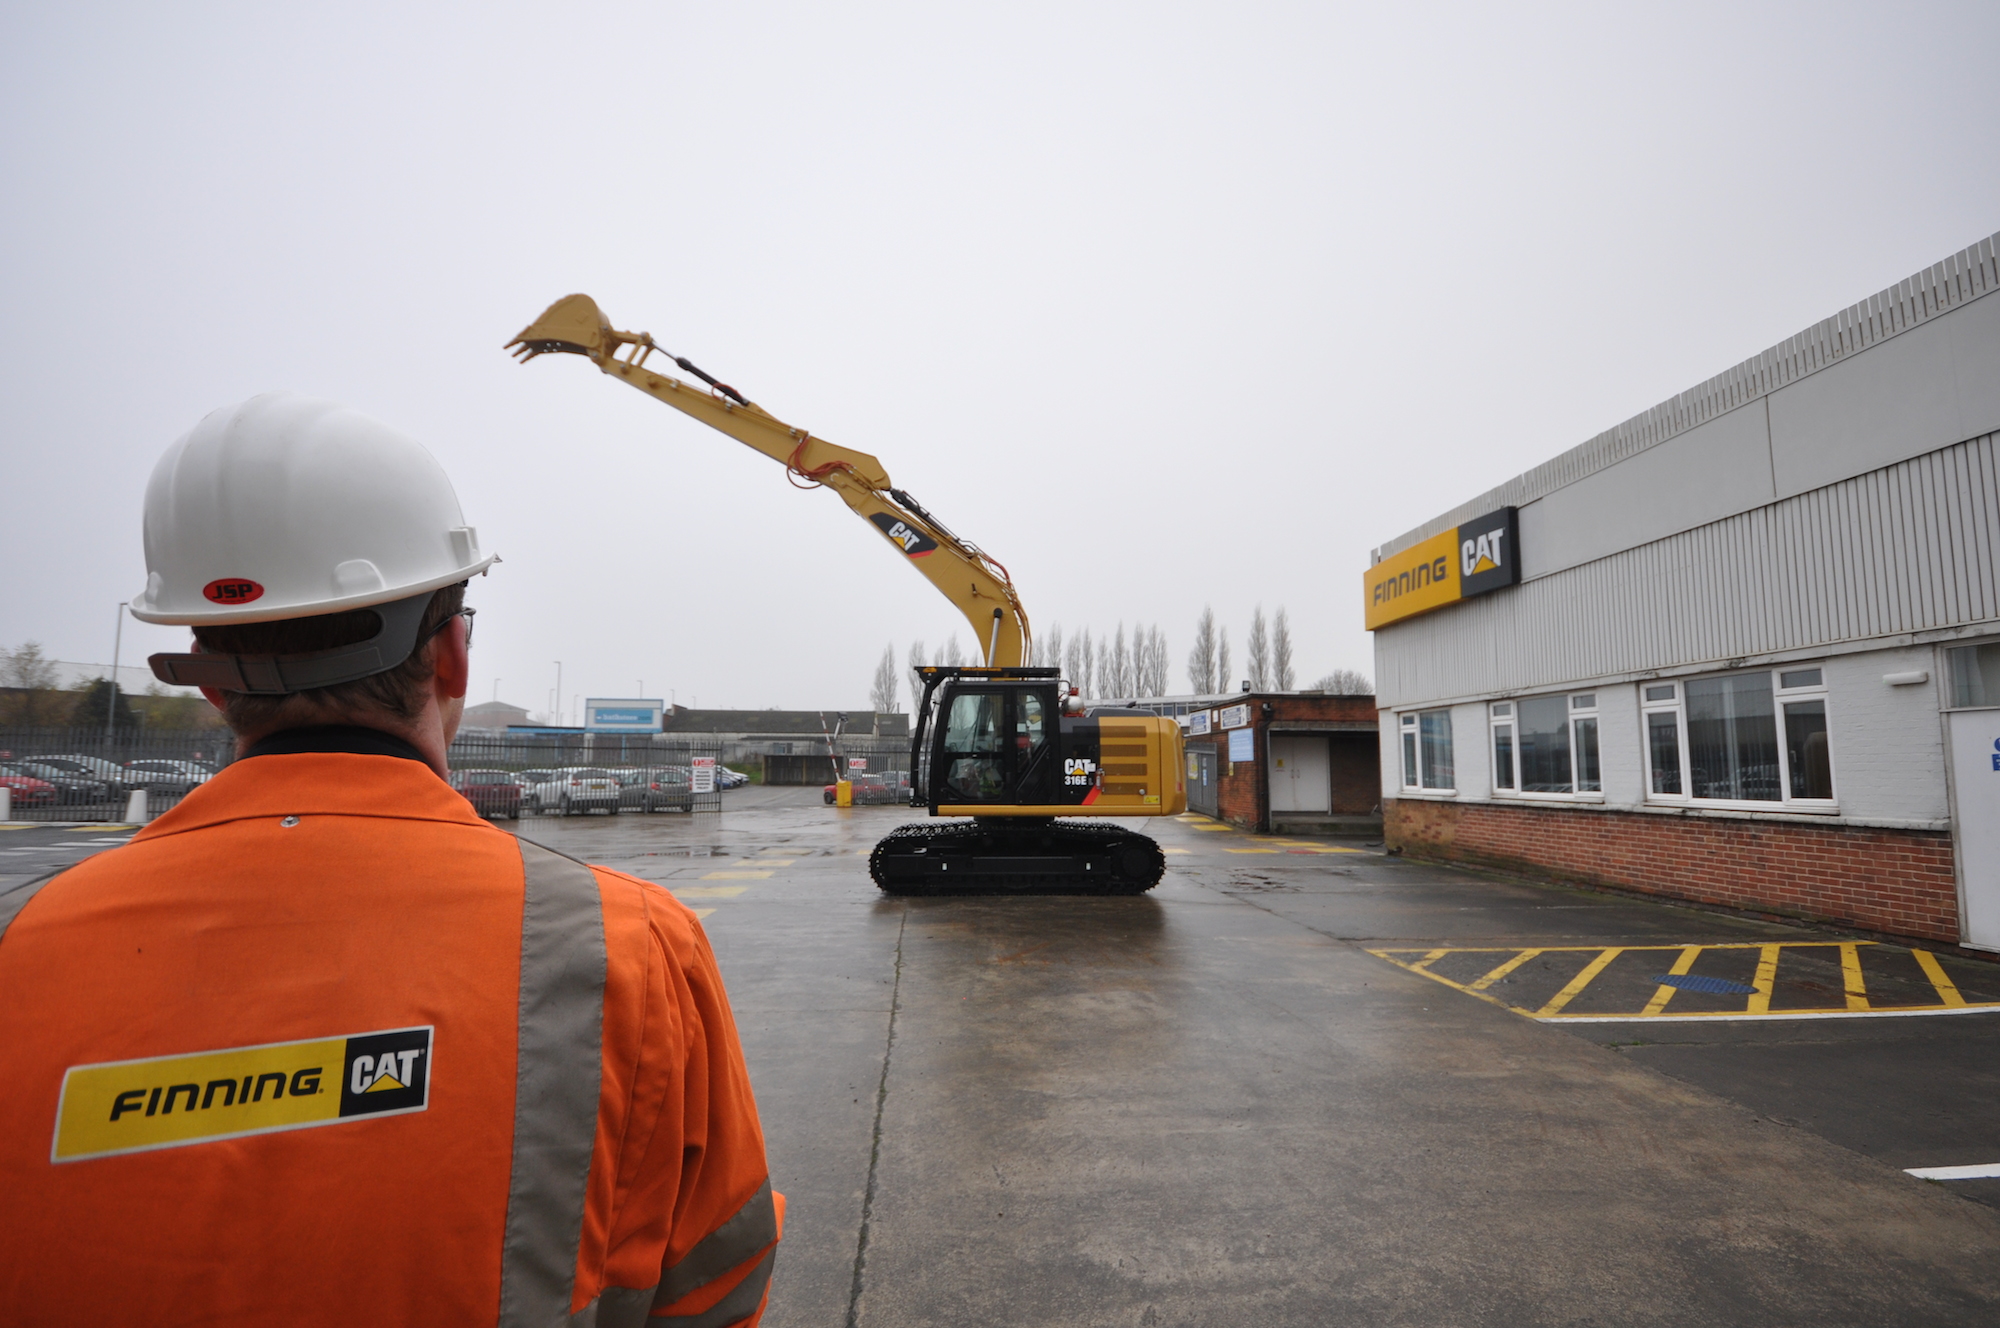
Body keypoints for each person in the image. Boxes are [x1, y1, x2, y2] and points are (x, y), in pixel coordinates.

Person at [0, 393, 780, 1326]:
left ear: (206, 677)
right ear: (452, 656)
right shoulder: (632, 953)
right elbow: (717, 1287)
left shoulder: (20, 947)